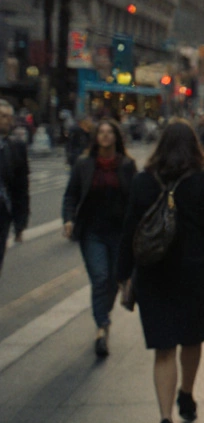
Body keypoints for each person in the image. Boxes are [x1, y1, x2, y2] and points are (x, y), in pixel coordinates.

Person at [118, 119, 204, 423]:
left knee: (163, 347)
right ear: (194, 145)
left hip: (153, 273)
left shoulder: (144, 181)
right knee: (191, 338)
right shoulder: (203, 180)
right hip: (193, 271)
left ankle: (165, 417)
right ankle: (186, 393)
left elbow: (130, 229)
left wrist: (122, 274)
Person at [62, 118, 138, 356]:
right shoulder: (84, 164)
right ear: (95, 138)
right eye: (101, 132)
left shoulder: (126, 165)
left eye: (109, 132)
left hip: (119, 232)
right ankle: (102, 325)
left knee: (114, 279)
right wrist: (68, 219)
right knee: (100, 277)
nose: (105, 136)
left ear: (116, 137)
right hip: (92, 232)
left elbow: (135, 199)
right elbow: (71, 194)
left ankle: (103, 316)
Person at [0, 99, 31, 277]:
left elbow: (21, 188)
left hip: (2, 213)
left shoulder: (16, 147)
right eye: (2, 116)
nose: (7, 120)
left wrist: (20, 223)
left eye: (9, 117)